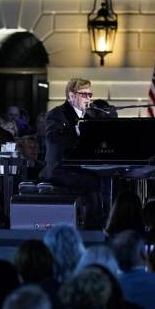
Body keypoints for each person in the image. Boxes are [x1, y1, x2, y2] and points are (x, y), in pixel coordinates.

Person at [43, 78, 110, 228]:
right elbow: (53, 138)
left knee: (107, 179)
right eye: (84, 95)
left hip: (82, 167)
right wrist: (75, 130)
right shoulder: (56, 114)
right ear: (71, 96)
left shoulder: (91, 116)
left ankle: (105, 224)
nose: (88, 99)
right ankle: (92, 228)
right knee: (92, 182)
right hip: (61, 169)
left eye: (89, 95)